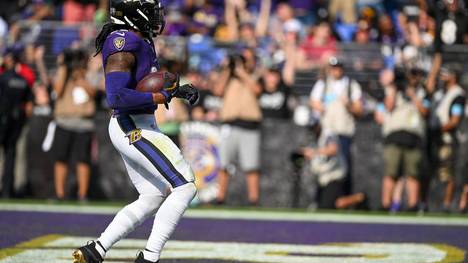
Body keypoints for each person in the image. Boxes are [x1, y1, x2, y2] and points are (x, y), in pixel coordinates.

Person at [72, 1, 199, 263]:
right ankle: (150, 258)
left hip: (139, 123)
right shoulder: (123, 42)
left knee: (153, 196)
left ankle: (96, 249)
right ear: (133, 13)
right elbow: (117, 97)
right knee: (185, 186)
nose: (157, 16)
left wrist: (174, 91)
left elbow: (140, 85)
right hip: (130, 124)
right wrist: (161, 94)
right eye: (151, 10)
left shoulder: (139, 39)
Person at [309, 57, 363, 196]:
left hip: (343, 132)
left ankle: (343, 198)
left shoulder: (351, 85)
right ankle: (323, 198)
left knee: (343, 168)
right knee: (324, 166)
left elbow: (359, 109)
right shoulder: (323, 84)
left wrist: (348, 105)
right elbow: (313, 101)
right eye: (333, 68)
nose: (335, 71)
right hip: (327, 133)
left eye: (338, 67)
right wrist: (323, 108)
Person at [215, 53, 262, 206]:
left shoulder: (255, 76)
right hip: (229, 125)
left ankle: (253, 199)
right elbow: (218, 91)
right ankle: (220, 197)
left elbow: (257, 90)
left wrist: (242, 73)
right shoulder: (228, 78)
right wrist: (228, 70)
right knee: (224, 164)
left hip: (250, 127)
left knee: (251, 165)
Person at [51, 48, 97, 201]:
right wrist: (64, 67)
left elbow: (94, 92)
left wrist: (80, 78)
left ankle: (82, 195)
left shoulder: (90, 73)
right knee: (61, 158)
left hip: (84, 123)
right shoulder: (63, 72)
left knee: (83, 159)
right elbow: (57, 91)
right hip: (64, 121)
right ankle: (59, 194)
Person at [380, 68, 429, 211]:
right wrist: (394, 87)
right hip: (394, 136)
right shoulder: (394, 91)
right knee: (391, 172)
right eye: (411, 75)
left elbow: (425, 111)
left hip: (414, 138)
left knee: (413, 174)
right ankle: (386, 204)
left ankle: (413, 205)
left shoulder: (422, 93)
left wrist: (413, 96)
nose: (413, 79)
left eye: (416, 75)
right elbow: (388, 106)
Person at [428, 64, 465, 212]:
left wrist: (438, 129)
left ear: (453, 76)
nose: (442, 76)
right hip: (437, 138)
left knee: (447, 172)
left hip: (448, 139)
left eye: (446, 73)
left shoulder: (458, 95)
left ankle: (446, 204)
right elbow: (429, 87)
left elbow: (455, 120)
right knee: (437, 172)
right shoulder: (441, 93)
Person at [0, 47, 33, 198]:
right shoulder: (22, 80)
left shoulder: (3, 78)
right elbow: (29, 105)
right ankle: (9, 189)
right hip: (16, 121)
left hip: (3, 119)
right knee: (12, 154)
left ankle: (4, 188)